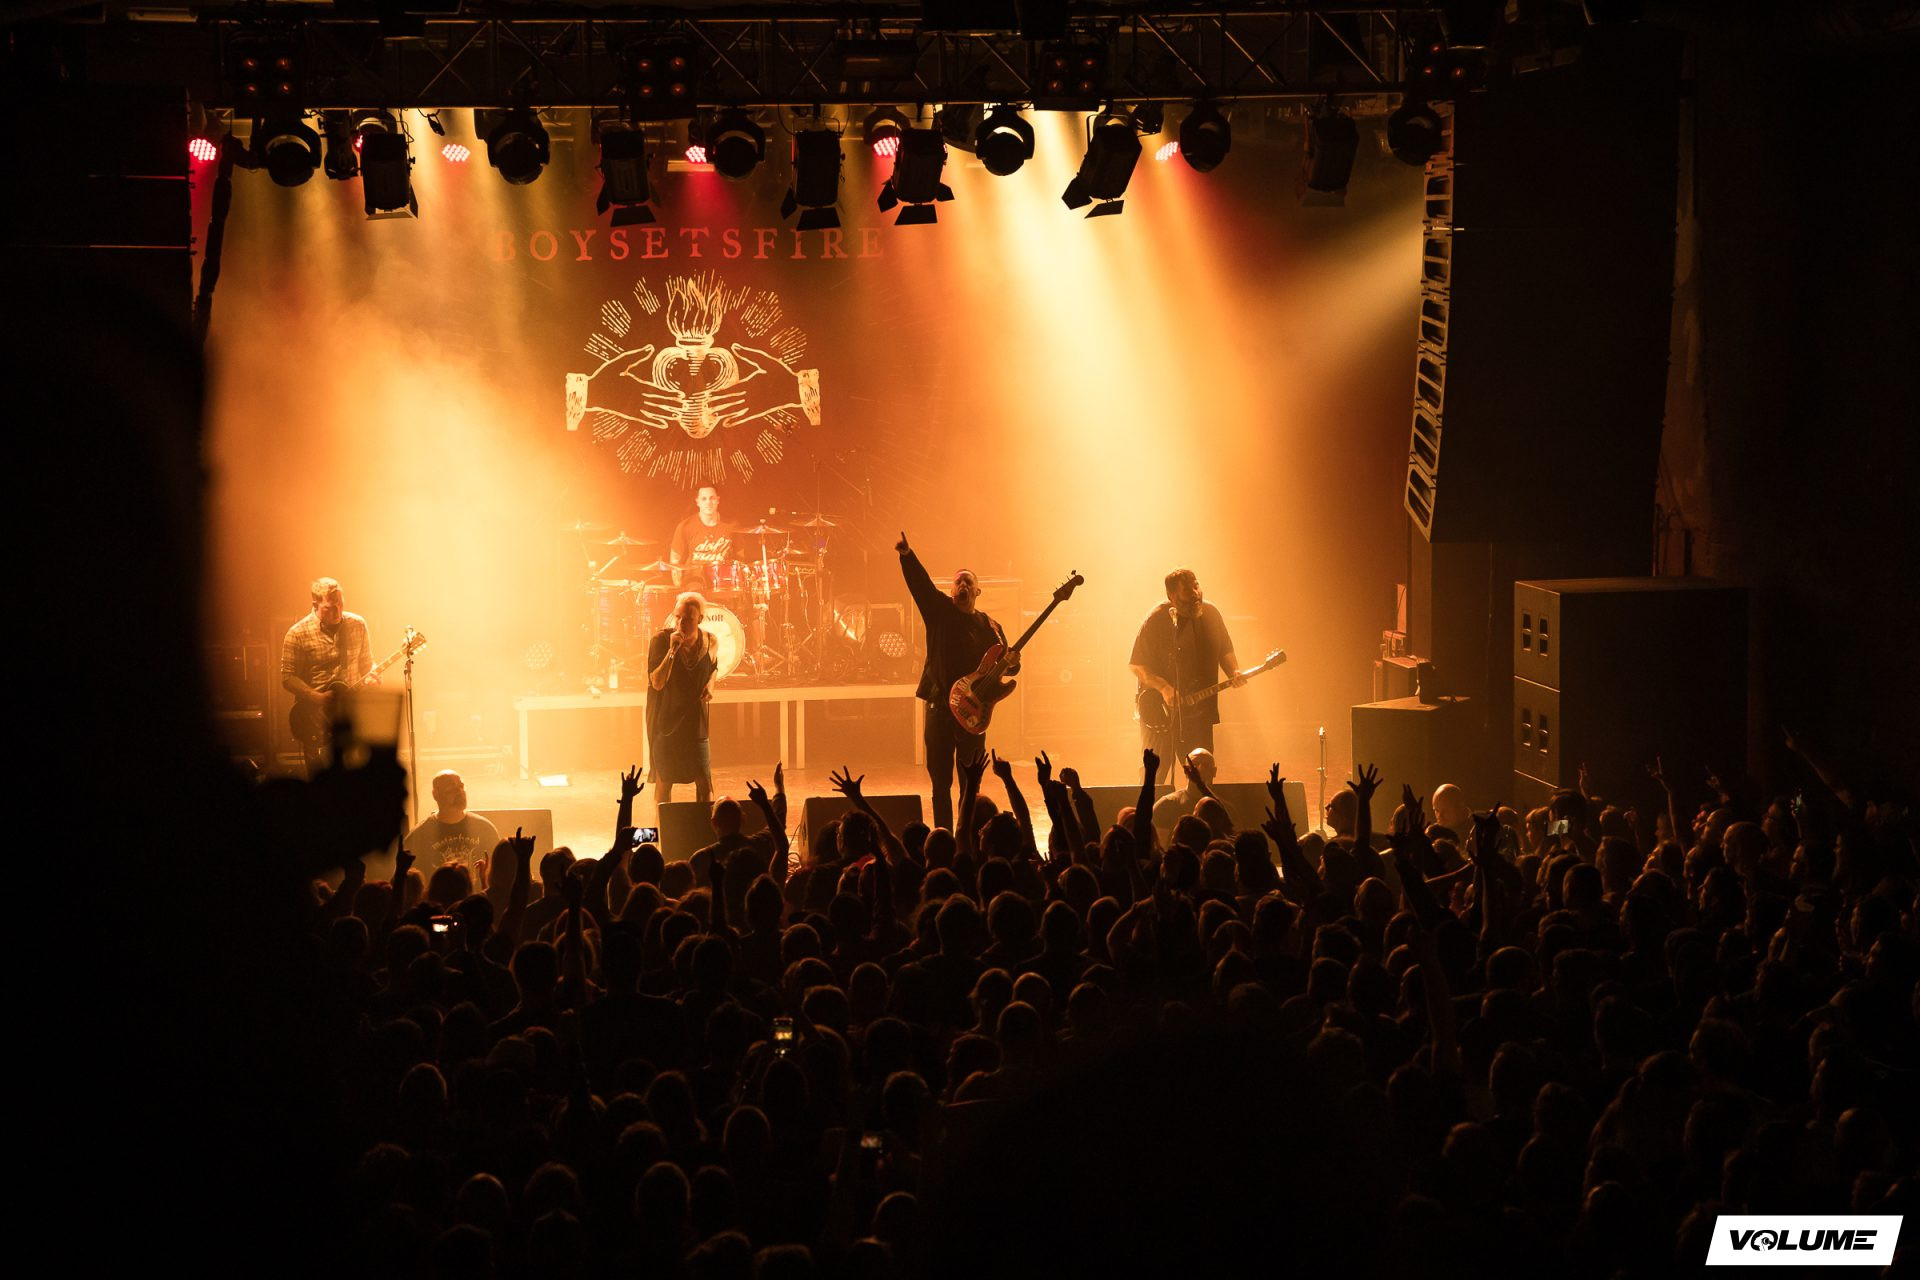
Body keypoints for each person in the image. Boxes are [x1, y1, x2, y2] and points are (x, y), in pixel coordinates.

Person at [896, 532, 1014, 833]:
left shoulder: (990, 626)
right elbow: (921, 585)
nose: (963, 585)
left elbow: (1006, 666)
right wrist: (908, 556)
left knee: (970, 782)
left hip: (974, 714)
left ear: (977, 591)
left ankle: (968, 836)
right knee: (940, 783)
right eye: (958, 582)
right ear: (951, 590)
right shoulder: (939, 612)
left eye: (968, 582)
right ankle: (944, 836)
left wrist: (1014, 663)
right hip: (940, 709)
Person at [1128, 568, 1245, 781]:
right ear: (1171, 596)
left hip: (1199, 711)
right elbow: (1137, 664)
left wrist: (1234, 671)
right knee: (1155, 775)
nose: (1195, 594)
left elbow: (1225, 649)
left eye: (1196, 586)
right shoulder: (1157, 619)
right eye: (1187, 590)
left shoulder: (1211, 614)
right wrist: (1164, 687)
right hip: (1160, 713)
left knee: (1202, 773)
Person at [279, 575, 373, 775]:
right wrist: (317, 697)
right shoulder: (297, 633)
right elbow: (287, 677)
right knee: (321, 779)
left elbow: (367, 665)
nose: (337, 612)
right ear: (315, 605)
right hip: (316, 718)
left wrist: (372, 676)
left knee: (356, 776)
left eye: (340, 604)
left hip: (350, 716)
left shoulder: (357, 624)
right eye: (330, 608)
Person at [647, 591, 718, 803]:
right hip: (667, 721)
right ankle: (663, 823)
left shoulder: (710, 641)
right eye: (677, 617)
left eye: (687, 619)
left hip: (695, 721)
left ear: (699, 619)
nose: (680, 623)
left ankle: (704, 822)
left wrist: (710, 684)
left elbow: (714, 668)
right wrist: (672, 652)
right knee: (665, 781)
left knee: (704, 782)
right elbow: (657, 682)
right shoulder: (661, 640)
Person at [404, 771, 501, 875]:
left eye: (461, 786)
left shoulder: (485, 830)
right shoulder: (418, 837)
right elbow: (405, 878)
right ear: (435, 794)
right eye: (451, 789)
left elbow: (501, 872)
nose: (460, 792)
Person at [669, 486, 737, 591]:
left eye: (712, 498)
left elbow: (740, 558)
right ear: (697, 502)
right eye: (704, 499)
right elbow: (675, 561)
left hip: (724, 583)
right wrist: (679, 588)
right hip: (694, 583)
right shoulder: (685, 526)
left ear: (718, 500)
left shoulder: (731, 526)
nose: (708, 502)